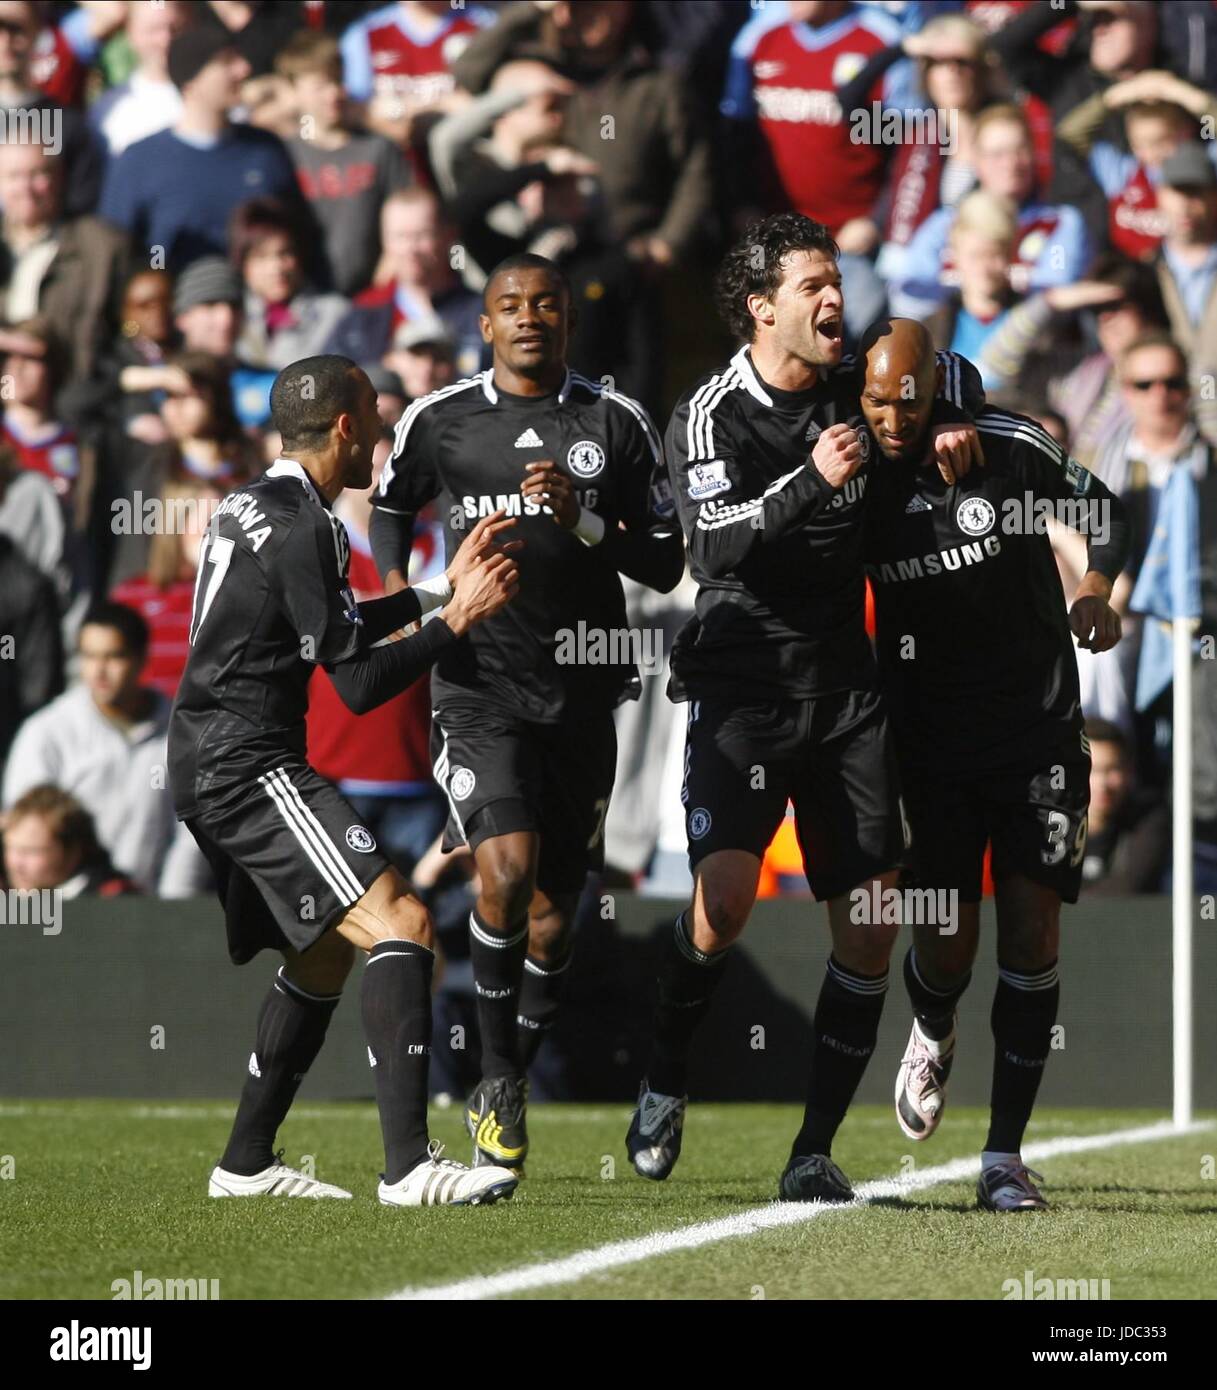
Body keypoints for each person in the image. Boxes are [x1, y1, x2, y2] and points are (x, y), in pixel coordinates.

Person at [626, 213, 983, 1203]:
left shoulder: (855, 386)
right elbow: (708, 546)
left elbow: (939, 383)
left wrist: (954, 423)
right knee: (724, 904)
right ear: (762, 307)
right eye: (813, 284)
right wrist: (808, 478)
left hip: (846, 692)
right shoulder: (708, 413)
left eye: (836, 279)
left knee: (868, 928)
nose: (835, 297)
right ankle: (664, 1070)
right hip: (741, 684)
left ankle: (812, 1150)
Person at [168, 353, 523, 1206]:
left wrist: (433, 592)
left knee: (325, 951)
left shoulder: (253, 505)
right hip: (246, 763)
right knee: (402, 922)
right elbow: (357, 685)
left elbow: (330, 623)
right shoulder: (311, 526)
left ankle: (245, 1162)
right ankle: (407, 1166)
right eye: (376, 418)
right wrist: (459, 621)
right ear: (344, 428)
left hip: (212, 757)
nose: (385, 437)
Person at [369, 252, 684, 1176]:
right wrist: (406, 595)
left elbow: (664, 562)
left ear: (567, 320)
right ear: (486, 324)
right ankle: (497, 1079)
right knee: (502, 870)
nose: (528, 318)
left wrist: (583, 518)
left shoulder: (613, 421)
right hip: (477, 687)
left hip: (584, 691)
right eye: (510, 305)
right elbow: (390, 507)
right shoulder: (441, 418)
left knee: (553, 920)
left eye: (545, 303)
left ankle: (516, 1057)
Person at [856, 317, 1128, 1212]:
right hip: (926, 739)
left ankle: (1002, 1157)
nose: (894, 420)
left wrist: (1091, 586)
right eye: (877, 403)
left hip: (1035, 728)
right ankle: (932, 1022)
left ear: (939, 389)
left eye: (911, 401)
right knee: (944, 942)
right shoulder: (851, 468)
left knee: (1031, 931)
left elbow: (1107, 514)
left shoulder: (1009, 447)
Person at [2, 601, 208, 897]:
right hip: (64, 917)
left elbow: (191, 834)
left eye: (114, 656)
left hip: (153, 915)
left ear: (140, 658)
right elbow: (28, 835)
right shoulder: (46, 733)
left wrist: (170, 909)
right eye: (89, 656)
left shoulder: (183, 734)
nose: (99, 670)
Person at [99, 26, 299, 272]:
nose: (243, 69)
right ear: (191, 81)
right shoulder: (139, 162)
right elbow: (114, 254)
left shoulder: (266, 150)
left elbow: (302, 236)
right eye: (226, 61)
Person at [277, 30, 413, 297]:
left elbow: (405, 226)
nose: (333, 94)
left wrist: (378, 292)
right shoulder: (284, 155)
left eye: (337, 81)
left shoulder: (378, 149)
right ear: (294, 91)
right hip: (305, 301)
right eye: (320, 86)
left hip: (372, 298)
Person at [1079, 718, 1169, 893]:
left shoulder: (1148, 818)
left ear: (1129, 771)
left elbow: (1129, 888)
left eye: (1112, 769)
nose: (1103, 784)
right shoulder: (1053, 825)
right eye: (1092, 770)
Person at [2, 785, 138, 897]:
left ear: (72, 852)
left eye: (31, 851)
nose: (16, 863)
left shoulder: (114, 901)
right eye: (10, 848)